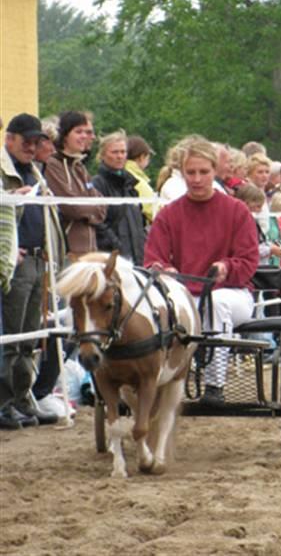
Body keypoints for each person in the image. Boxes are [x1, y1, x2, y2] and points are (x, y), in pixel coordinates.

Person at [144, 136, 259, 405]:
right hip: (185, 294)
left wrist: (226, 267)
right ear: (182, 173)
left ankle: (214, 385)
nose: (196, 179)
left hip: (232, 293)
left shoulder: (236, 211)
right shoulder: (169, 214)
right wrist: (164, 269)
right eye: (191, 173)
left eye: (203, 172)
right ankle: (162, 379)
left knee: (215, 304)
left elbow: (249, 260)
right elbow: (153, 258)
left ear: (214, 171)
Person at [0, 114, 65, 428]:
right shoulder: (5, 172)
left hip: (40, 260)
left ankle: (23, 397)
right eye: (25, 140)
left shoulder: (34, 171)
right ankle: (5, 402)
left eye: (36, 141)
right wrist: (11, 250)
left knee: (32, 338)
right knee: (13, 337)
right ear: (9, 138)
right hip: (19, 264)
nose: (32, 146)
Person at [44, 111, 107, 258]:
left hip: (90, 250)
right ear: (65, 135)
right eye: (78, 132)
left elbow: (103, 207)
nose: (84, 137)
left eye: (87, 132)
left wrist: (87, 212)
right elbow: (71, 206)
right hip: (68, 251)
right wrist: (92, 211)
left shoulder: (80, 167)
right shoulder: (53, 165)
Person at [92, 131, 146, 265]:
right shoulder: (97, 184)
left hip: (137, 256)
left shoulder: (131, 185)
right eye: (115, 152)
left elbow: (140, 221)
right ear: (103, 155)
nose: (120, 156)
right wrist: (116, 246)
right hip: (112, 257)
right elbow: (98, 222)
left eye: (123, 152)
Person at [125, 134, 157, 224]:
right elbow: (152, 209)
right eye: (148, 157)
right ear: (142, 157)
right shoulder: (137, 180)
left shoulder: (122, 173)